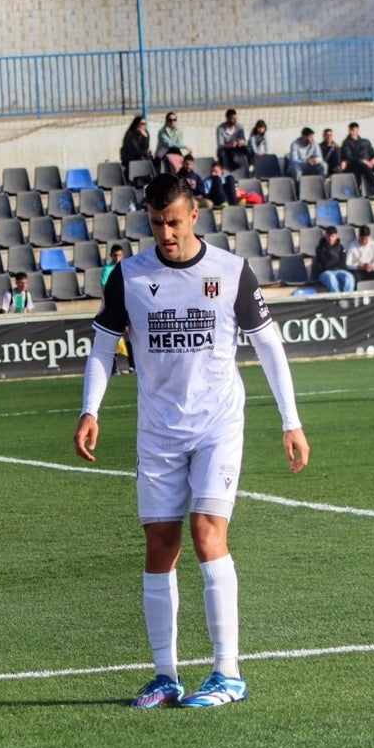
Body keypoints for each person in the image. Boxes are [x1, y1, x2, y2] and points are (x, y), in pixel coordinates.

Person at [72, 172, 308, 710]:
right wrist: (91, 410)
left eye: (173, 222)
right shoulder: (129, 275)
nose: (166, 233)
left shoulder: (230, 271)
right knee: (160, 547)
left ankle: (228, 671)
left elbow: (270, 348)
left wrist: (290, 422)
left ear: (194, 214)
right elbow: (103, 348)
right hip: (158, 430)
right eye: (156, 223)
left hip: (217, 424)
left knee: (206, 532)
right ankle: (165, 675)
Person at [100, 245, 134, 374]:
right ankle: (114, 368)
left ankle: (132, 366)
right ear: (111, 256)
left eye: (119, 255)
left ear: (123, 255)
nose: (117, 258)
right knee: (113, 336)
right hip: (113, 307)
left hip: (126, 306)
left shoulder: (127, 268)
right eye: (115, 255)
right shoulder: (107, 270)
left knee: (128, 336)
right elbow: (104, 289)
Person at [339, 122, 374, 198]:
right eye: (352, 130)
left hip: (370, 163)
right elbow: (349, 157)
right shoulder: (347, 143)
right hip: (358, 165)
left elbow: (373, 153)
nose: (353, 132)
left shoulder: (365, 141)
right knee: (364, 166)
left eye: (355, 130)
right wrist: (363, 161)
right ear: (350, 131)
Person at [312, 225, 354, 292]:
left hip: (339, 270)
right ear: (325, 235)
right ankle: (337, 298)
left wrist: (333, 261)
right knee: (331, 277)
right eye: (328, 236)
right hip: (324, 273)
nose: (330, 238)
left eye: (332, 236)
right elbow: (324, 265)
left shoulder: (341, 247)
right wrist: (337, 260)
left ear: (336, 236)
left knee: (349, 277)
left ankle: (347, 298)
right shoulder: (320, 248)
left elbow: (342, 263)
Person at [216, 108, 250, 173]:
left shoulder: (239, 126)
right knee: (222, 154)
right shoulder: (220, 128)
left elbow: (243, 140)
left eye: (235, 118)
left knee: (248, 150)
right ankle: (223, 171)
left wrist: (240, 142)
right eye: (232, 118)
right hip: (225, 148)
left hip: (237, 147)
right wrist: (229, 145)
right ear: (227, 118)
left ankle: (250, 168)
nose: (234, 120)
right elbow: (220, 144)